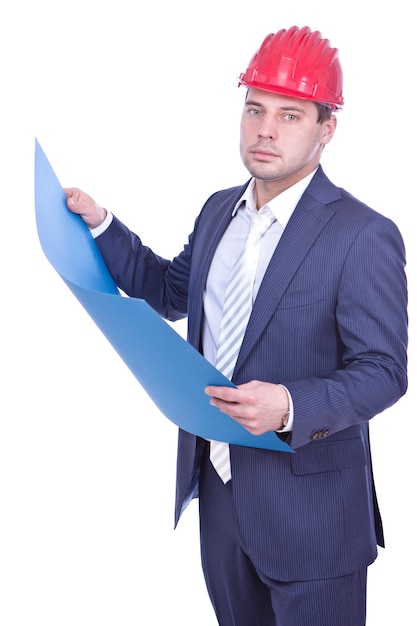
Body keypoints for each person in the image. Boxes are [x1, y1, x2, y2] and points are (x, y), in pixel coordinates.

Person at [64, 25, 408, 626]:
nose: (265, 130)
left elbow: (384, 373)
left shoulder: (363, 235)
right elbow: (172, 292)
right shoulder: (219, 208)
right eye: (255, 109)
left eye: (290, 114)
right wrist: (101, 225)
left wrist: (290, 404)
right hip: (220, 493)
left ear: (327, 129)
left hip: (314, 514)